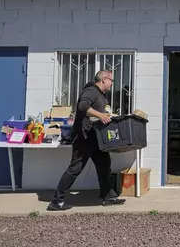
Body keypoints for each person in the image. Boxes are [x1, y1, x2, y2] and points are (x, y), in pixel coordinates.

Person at [48, 70, 126, 211]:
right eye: (111, 80)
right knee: (75, 168)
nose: (112, 83)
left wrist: (106, 116)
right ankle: (56, 201)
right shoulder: (91, 90)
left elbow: (96, 114)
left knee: (104, 165)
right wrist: (101, 115)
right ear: (104, 79)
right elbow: (83, 106)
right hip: (84, 137)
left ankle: (106, 196)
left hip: (95, 137)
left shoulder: (100, 95)